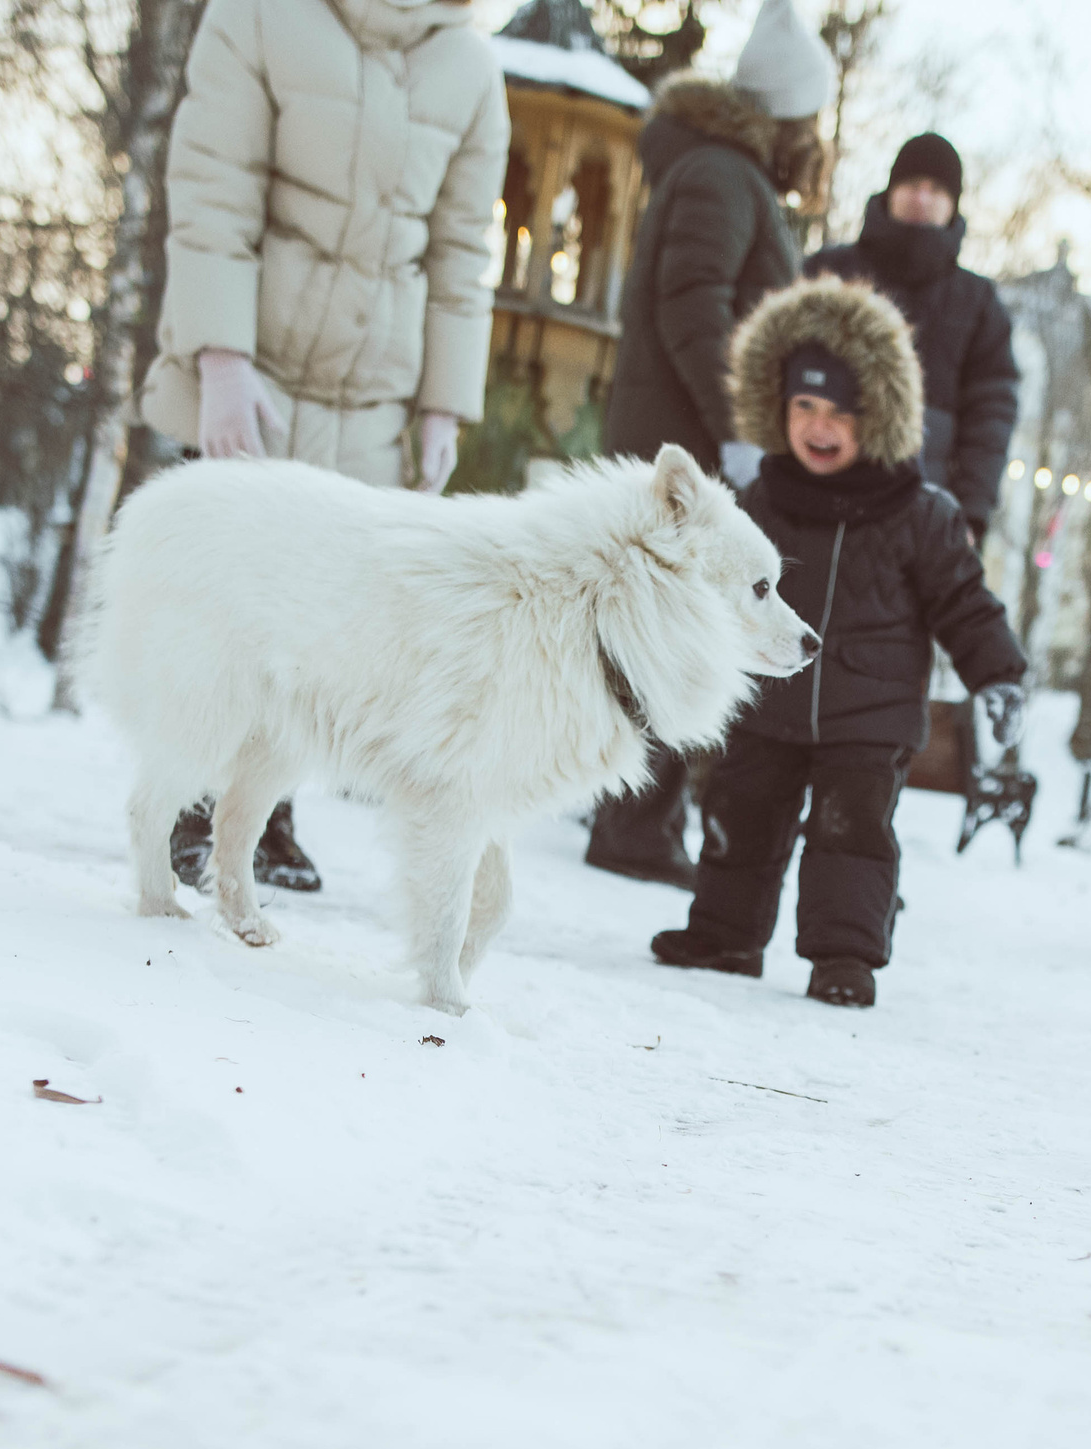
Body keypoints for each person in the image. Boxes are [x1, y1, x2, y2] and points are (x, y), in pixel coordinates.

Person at [137, 0, 508, 895]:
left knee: (330, 633)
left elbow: (462, 252)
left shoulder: (470, 68)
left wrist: (442, 405)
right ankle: (188, 810)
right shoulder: (262, 17)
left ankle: (266, 820)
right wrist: (219, 357)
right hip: (257, 377)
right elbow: (214, 186)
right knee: (229, 614)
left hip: (374, 392)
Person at [649, 277, 1027, 1009]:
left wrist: (1000, 675)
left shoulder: (921, 514)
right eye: (805, 407)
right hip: (768, 700)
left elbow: (966, 604)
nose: (821, 426)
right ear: (778, 407)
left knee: (850, 833)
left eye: (842, 412)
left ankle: (844, 957)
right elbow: (714, 584)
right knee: (740, 816)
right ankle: (725, 932)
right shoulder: (757, 499)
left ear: (879, 414)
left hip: (869, 714)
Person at [585, 0, 836, 890]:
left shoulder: (724, 175)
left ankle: (640, 818)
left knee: (665, 624)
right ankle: (635, 823)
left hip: (681, 441)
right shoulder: (724, 178)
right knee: (662, 626)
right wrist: (733, 432)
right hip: (682, 451)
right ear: (792, 117)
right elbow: (694, 308)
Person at [804, 133, 1019, 547]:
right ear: (891, 191)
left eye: (936, 190)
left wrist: (971, 515)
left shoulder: (978, 302)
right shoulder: (829, 272)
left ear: (953, 203)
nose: (922, 198)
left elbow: (991, 414)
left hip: (919, 518)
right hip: (816, 495)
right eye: (912, 185)